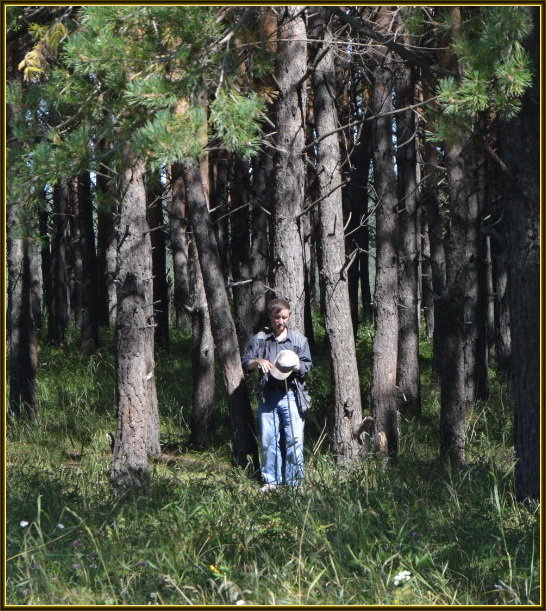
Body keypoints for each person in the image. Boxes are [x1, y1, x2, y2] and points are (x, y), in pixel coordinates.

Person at [242, 298, 312, 490]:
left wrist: (296, 365)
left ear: (289, 317)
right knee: (268, 440)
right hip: (268, 395)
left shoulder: (298, 340)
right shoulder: (260, 339)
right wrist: (258, 362)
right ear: (270, 318)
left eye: (285, 317)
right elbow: (245, 363)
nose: (281, 322)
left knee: (294, 439)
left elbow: (307, 364)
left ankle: (295, 483)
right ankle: (271, 481)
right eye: (277, 317)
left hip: (292, 394)